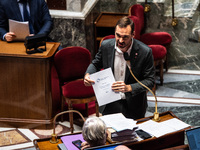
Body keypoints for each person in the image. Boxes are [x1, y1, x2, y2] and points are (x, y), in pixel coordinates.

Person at [84, 16, 155, 120]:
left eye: (125, 37)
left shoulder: (145, 52)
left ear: (133, 34)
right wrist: (88, 74)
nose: (120, 40)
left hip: (134, 104)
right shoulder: (106, 46)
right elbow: (95, 64)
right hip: (110, 102)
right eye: (118, 35)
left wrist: (129, 88)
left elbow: (150, 81)